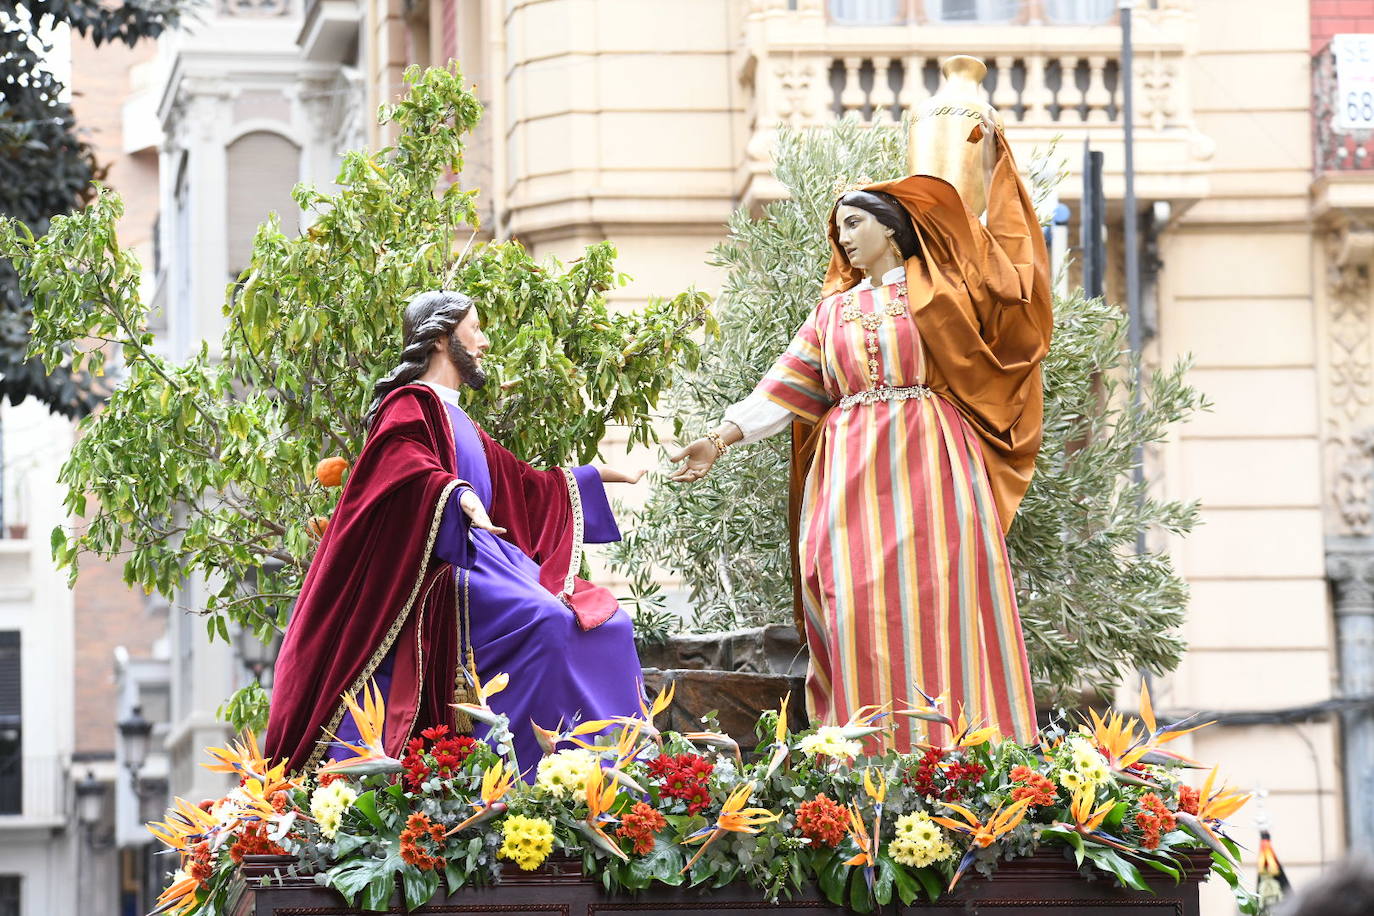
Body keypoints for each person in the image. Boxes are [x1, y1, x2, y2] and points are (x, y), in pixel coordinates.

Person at [669, 127, 1051, 748]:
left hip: (931, 461)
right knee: (851, 600)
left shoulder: (943, 291)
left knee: (939, 597)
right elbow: (785, 388)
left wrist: (991, 161)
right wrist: (720, 437)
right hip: (849, 470)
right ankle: (864, 753)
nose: (843, 238)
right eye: (838, 228)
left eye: (853, 223)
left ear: (891, 229)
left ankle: (963, 756)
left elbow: (1003, 281)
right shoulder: (832, 312)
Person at [265, 290, 644, 774]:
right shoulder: (410, 404)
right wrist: (455, 495)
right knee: (548, 621)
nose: (484, 342)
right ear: (442, 338)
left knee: (609, 624)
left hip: (492, 561)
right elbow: (402, 466)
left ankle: (602, 768)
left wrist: (598, 475)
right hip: (450, 563)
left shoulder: (460, 419)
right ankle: (521, 772)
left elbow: (522, 485)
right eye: (475, 328)